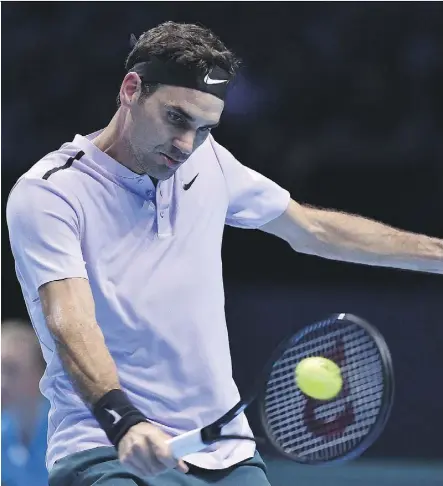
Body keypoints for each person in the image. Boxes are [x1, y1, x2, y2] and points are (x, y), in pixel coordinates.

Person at [6, 21, 442, 486]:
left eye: (203, 127)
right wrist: (123, 419)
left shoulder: (207, 160)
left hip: (226, 454)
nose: (186, 144)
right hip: (110, 448)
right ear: (131, 89)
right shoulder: (52, 194)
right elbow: (70, 321)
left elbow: (312, 228)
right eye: (176, 118)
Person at [1, 319, 49, 486]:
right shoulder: (3, 432)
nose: (1, 382)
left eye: (11, 370)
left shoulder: (67, 430)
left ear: (40, 375)